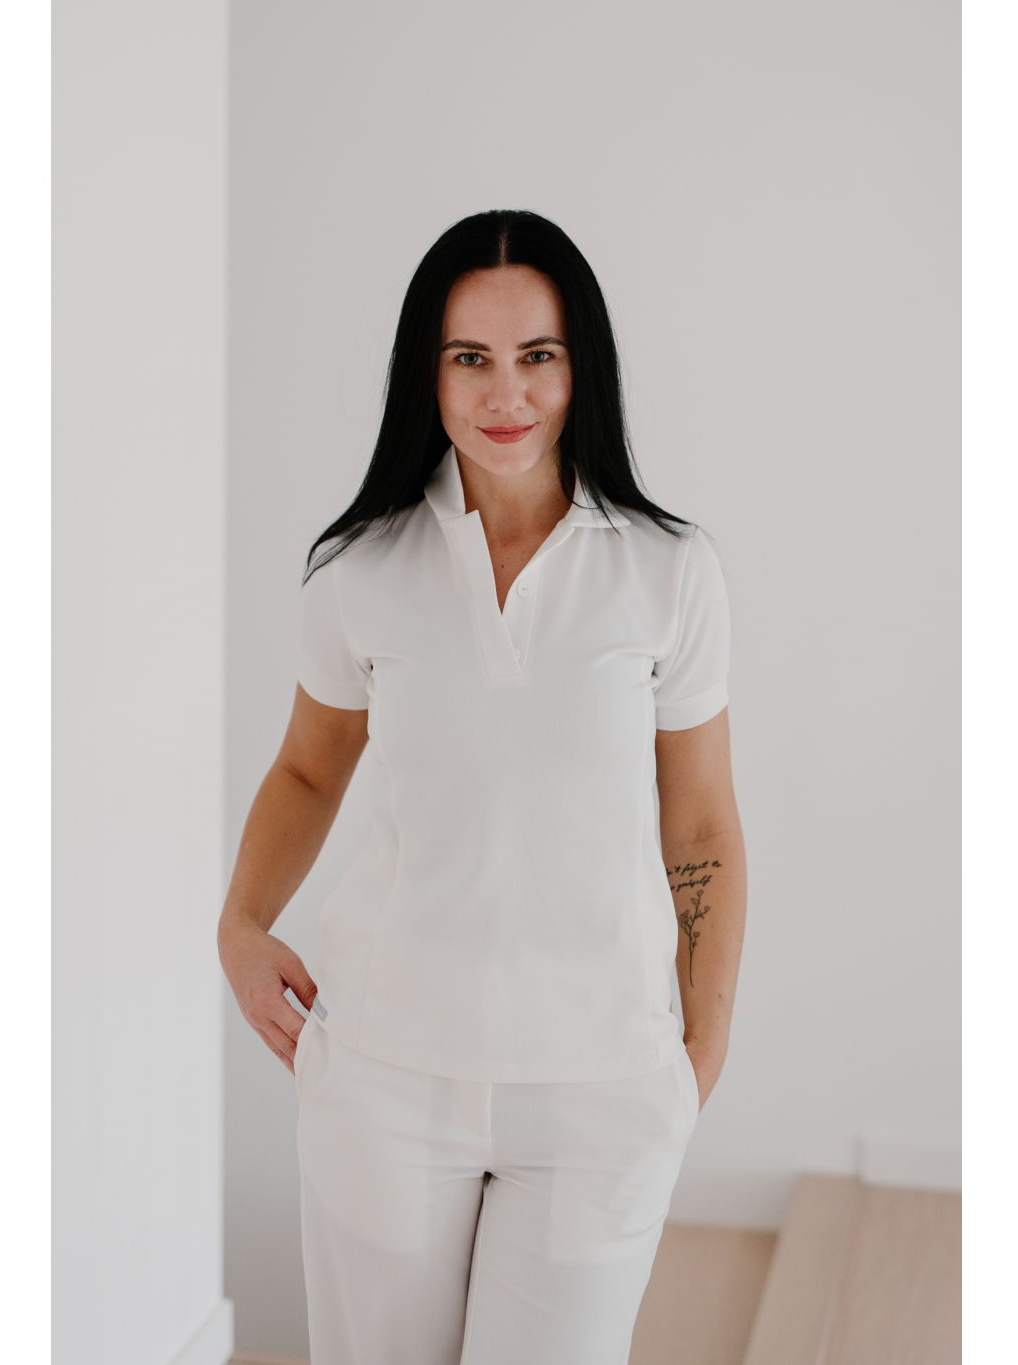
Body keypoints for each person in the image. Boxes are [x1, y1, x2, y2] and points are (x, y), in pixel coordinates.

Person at [218, 209, 746, 1365]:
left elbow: (701, 819)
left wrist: (696, 1057)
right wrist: (241, 926)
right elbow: (308, 766)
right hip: (385, 1079)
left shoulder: (670, 571)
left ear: (579, 367)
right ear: (429, 372)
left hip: (602, 1091)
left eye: (536, 355)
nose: (506, 393)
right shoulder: (359, 568)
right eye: (470, 358)